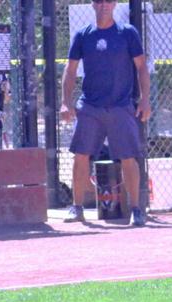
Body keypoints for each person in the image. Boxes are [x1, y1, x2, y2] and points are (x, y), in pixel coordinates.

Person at [60, 0, 150, 226]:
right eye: (99, 1)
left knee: (129, 158)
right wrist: (65, 102)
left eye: (108, 1)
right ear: (93, 5)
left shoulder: (127, 33)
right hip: (90, 107)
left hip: (121, 107)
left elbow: (141, 67)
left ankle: (137, 210)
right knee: (81, 156)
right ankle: (77, 207)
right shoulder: (83, 35)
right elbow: (70, 70)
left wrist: (146, 100)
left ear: (115, 4)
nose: (104, 5)